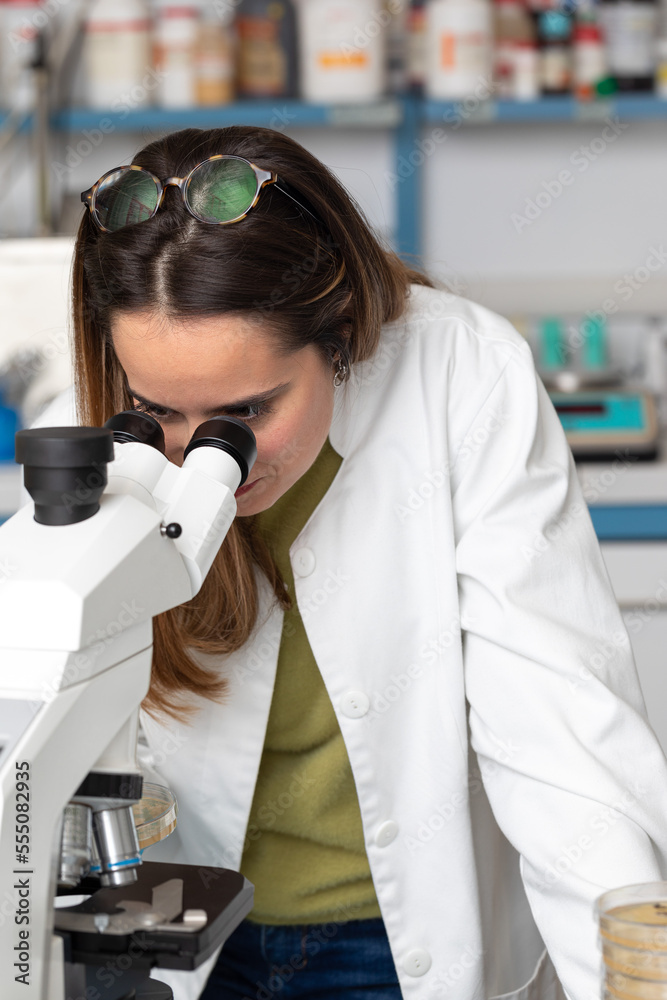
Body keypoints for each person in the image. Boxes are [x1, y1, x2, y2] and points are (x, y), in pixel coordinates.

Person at [39, 124, 667, 1000]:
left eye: (246, 410)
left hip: (387, 937)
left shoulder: (461, 376)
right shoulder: (103, 420)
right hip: (185, 924)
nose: (201, 457)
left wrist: (627, 948)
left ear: (337, 337)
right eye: (160, 411)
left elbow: (552, 713)